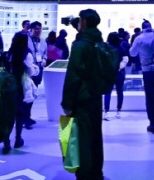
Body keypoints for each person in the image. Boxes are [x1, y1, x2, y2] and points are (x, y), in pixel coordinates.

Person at [61, 9, 105, 180]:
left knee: (81, 139)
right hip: (95, 96)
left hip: (81, 99)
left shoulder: (80, 45)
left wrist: (67, 103)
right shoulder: (97, 40)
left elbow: (73, 76)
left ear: (84, 22)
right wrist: (74, 22)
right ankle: (96, 172)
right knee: (95, 136)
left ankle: (85, 175)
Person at [1, 32, 39, 153]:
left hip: (8, 86)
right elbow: (31, 72)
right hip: (20, 87)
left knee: (8, 116)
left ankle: (6, 142)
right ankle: (18, 139)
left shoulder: (7, 54)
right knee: (19, 114)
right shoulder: (26, 54)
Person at [25, 21, 47, 129]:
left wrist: (44, 59)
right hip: (28, 71)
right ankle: (25, 118)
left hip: (38, 71)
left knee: (33, 94)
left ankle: (27, 116)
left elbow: (45, 54)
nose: (38, 31)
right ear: (31, 30)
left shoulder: (43, 41)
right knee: (27, 94)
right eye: (36, 29)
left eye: (40, 29)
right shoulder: (26, 40)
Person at [103, 32, 129, 120]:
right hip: (120, 73)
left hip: (108, 73)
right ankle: (118, 111)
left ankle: (106, 112)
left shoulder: (106, 48)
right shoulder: (121, 48)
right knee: (120, 92)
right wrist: (119, 68)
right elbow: (125, 60)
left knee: (107, 92)